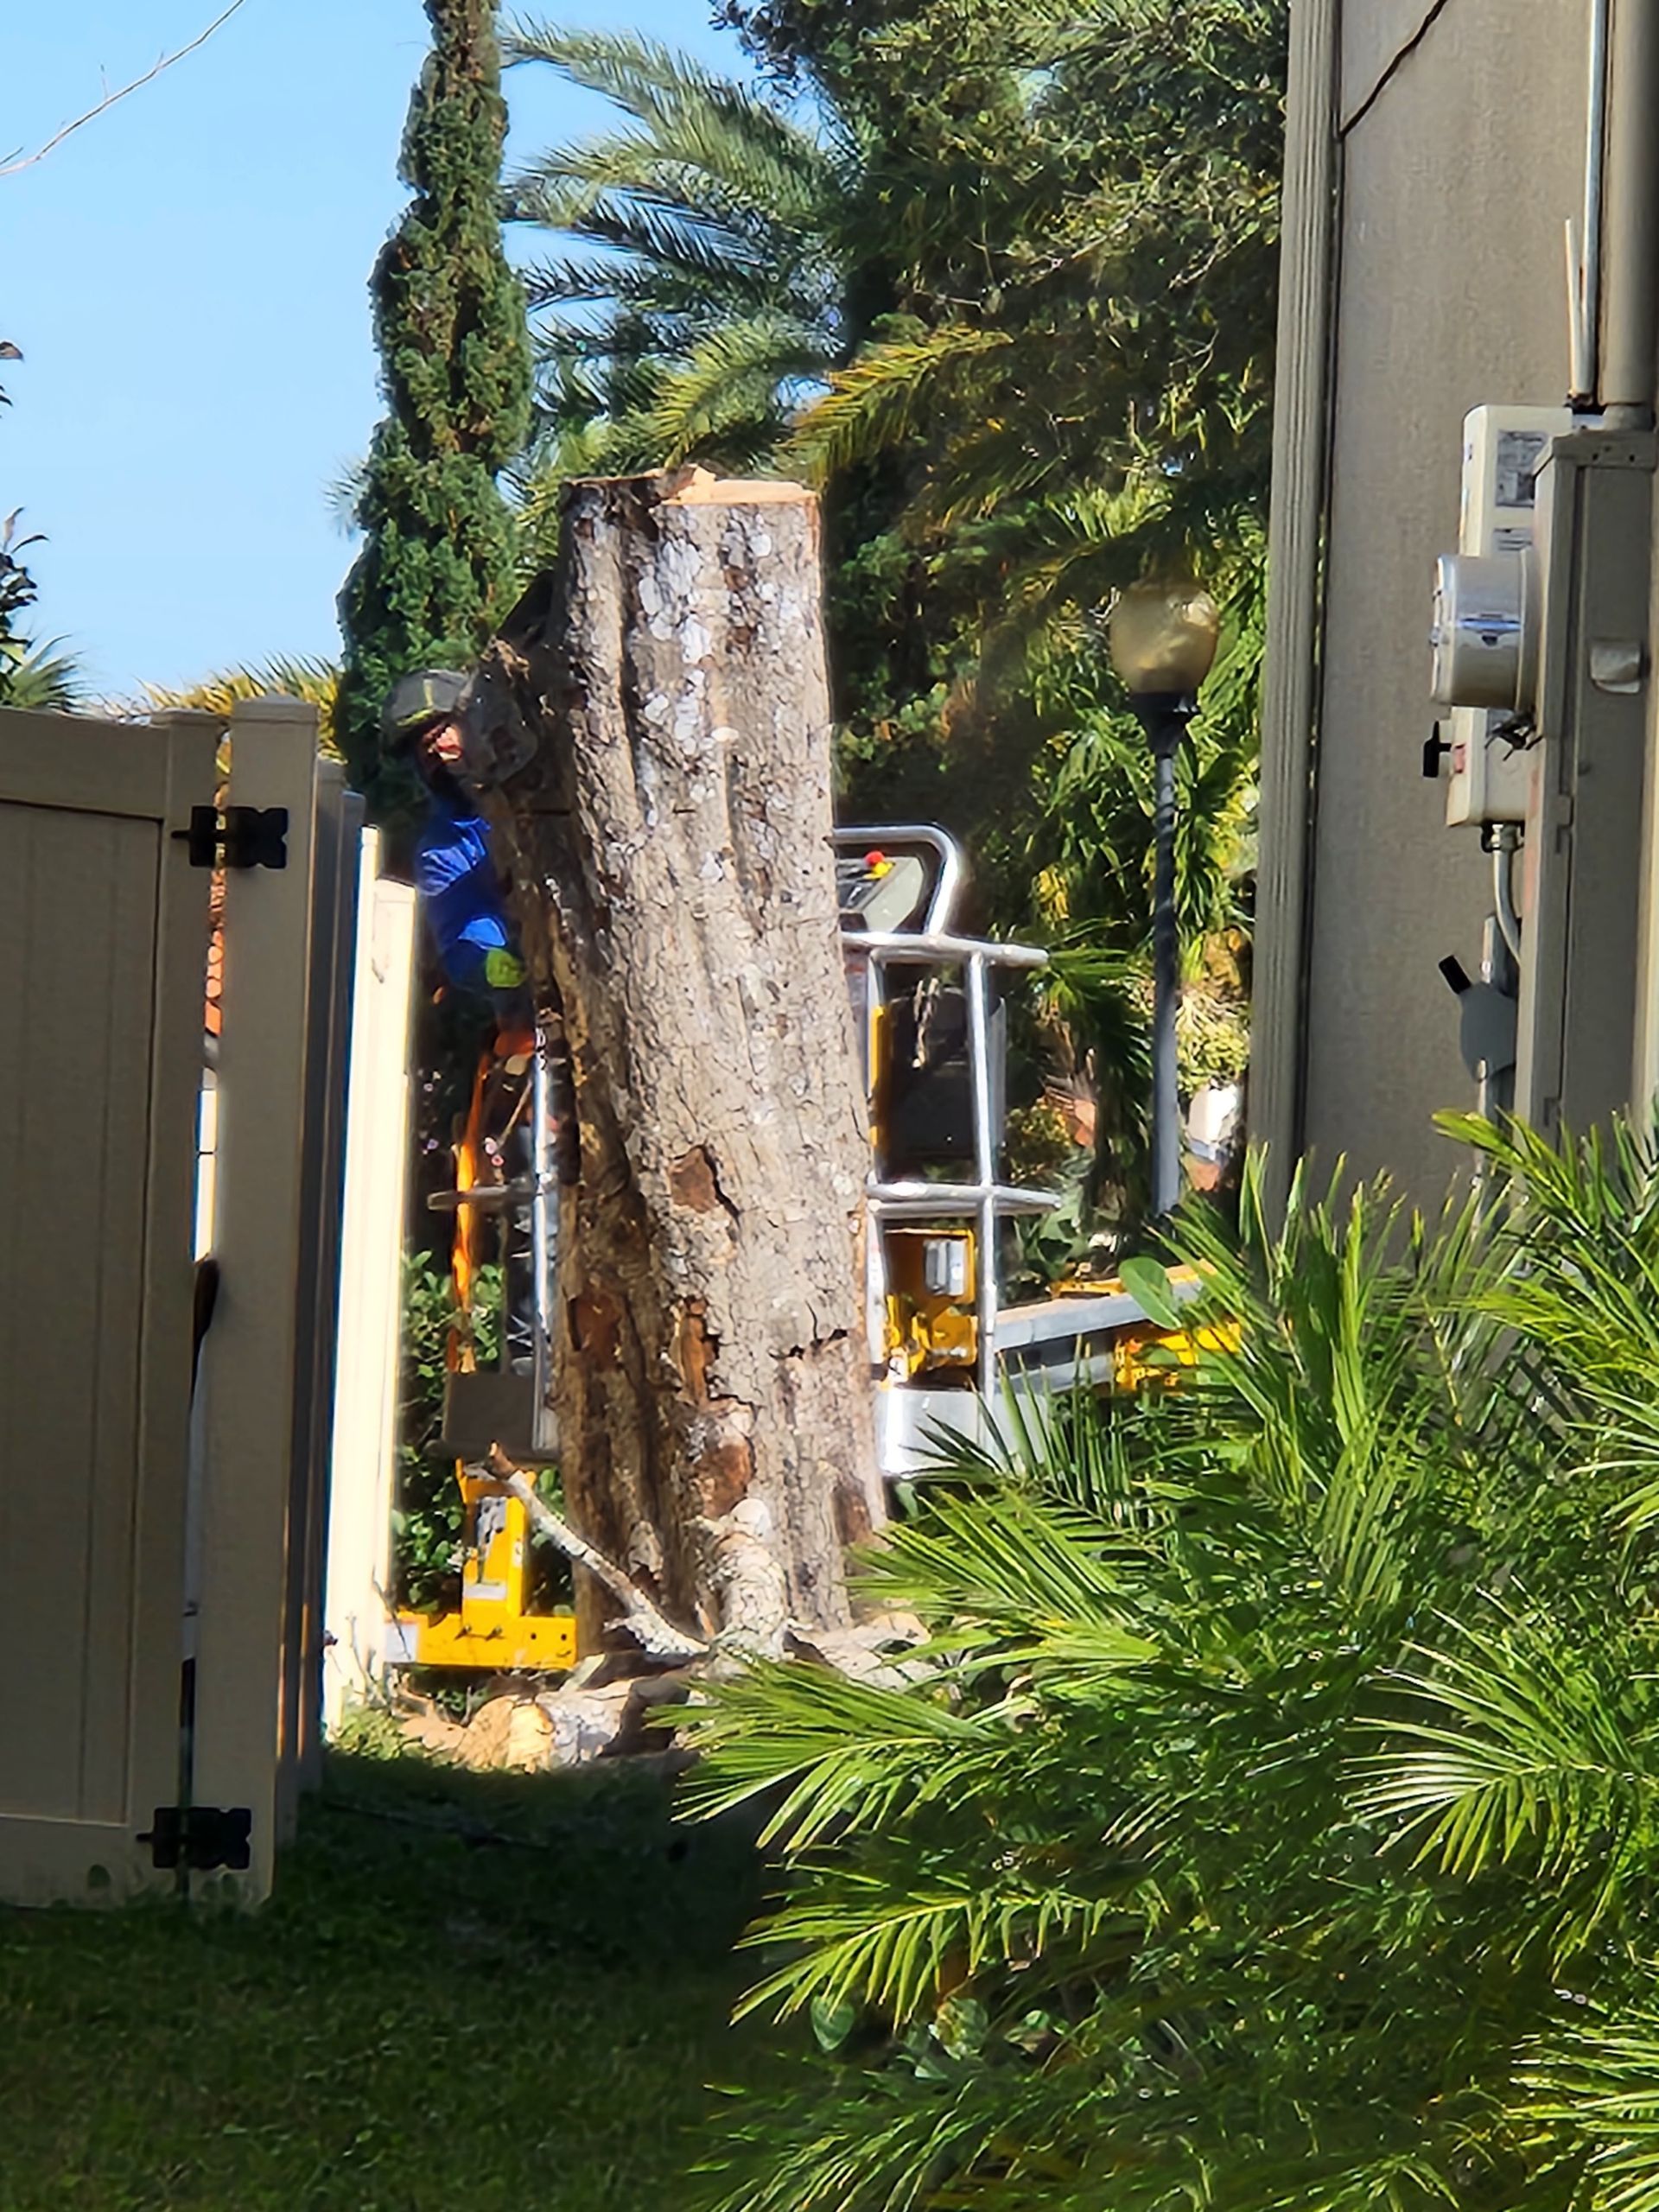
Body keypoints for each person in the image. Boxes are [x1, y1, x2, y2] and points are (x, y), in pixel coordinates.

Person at [381, 669, 529, 1022]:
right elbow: (460, 924)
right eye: (425, 752)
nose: (438, 754)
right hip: (540, 1000)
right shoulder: (442, 849)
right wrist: (487, 960)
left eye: (440, 734)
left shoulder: (546, 778)